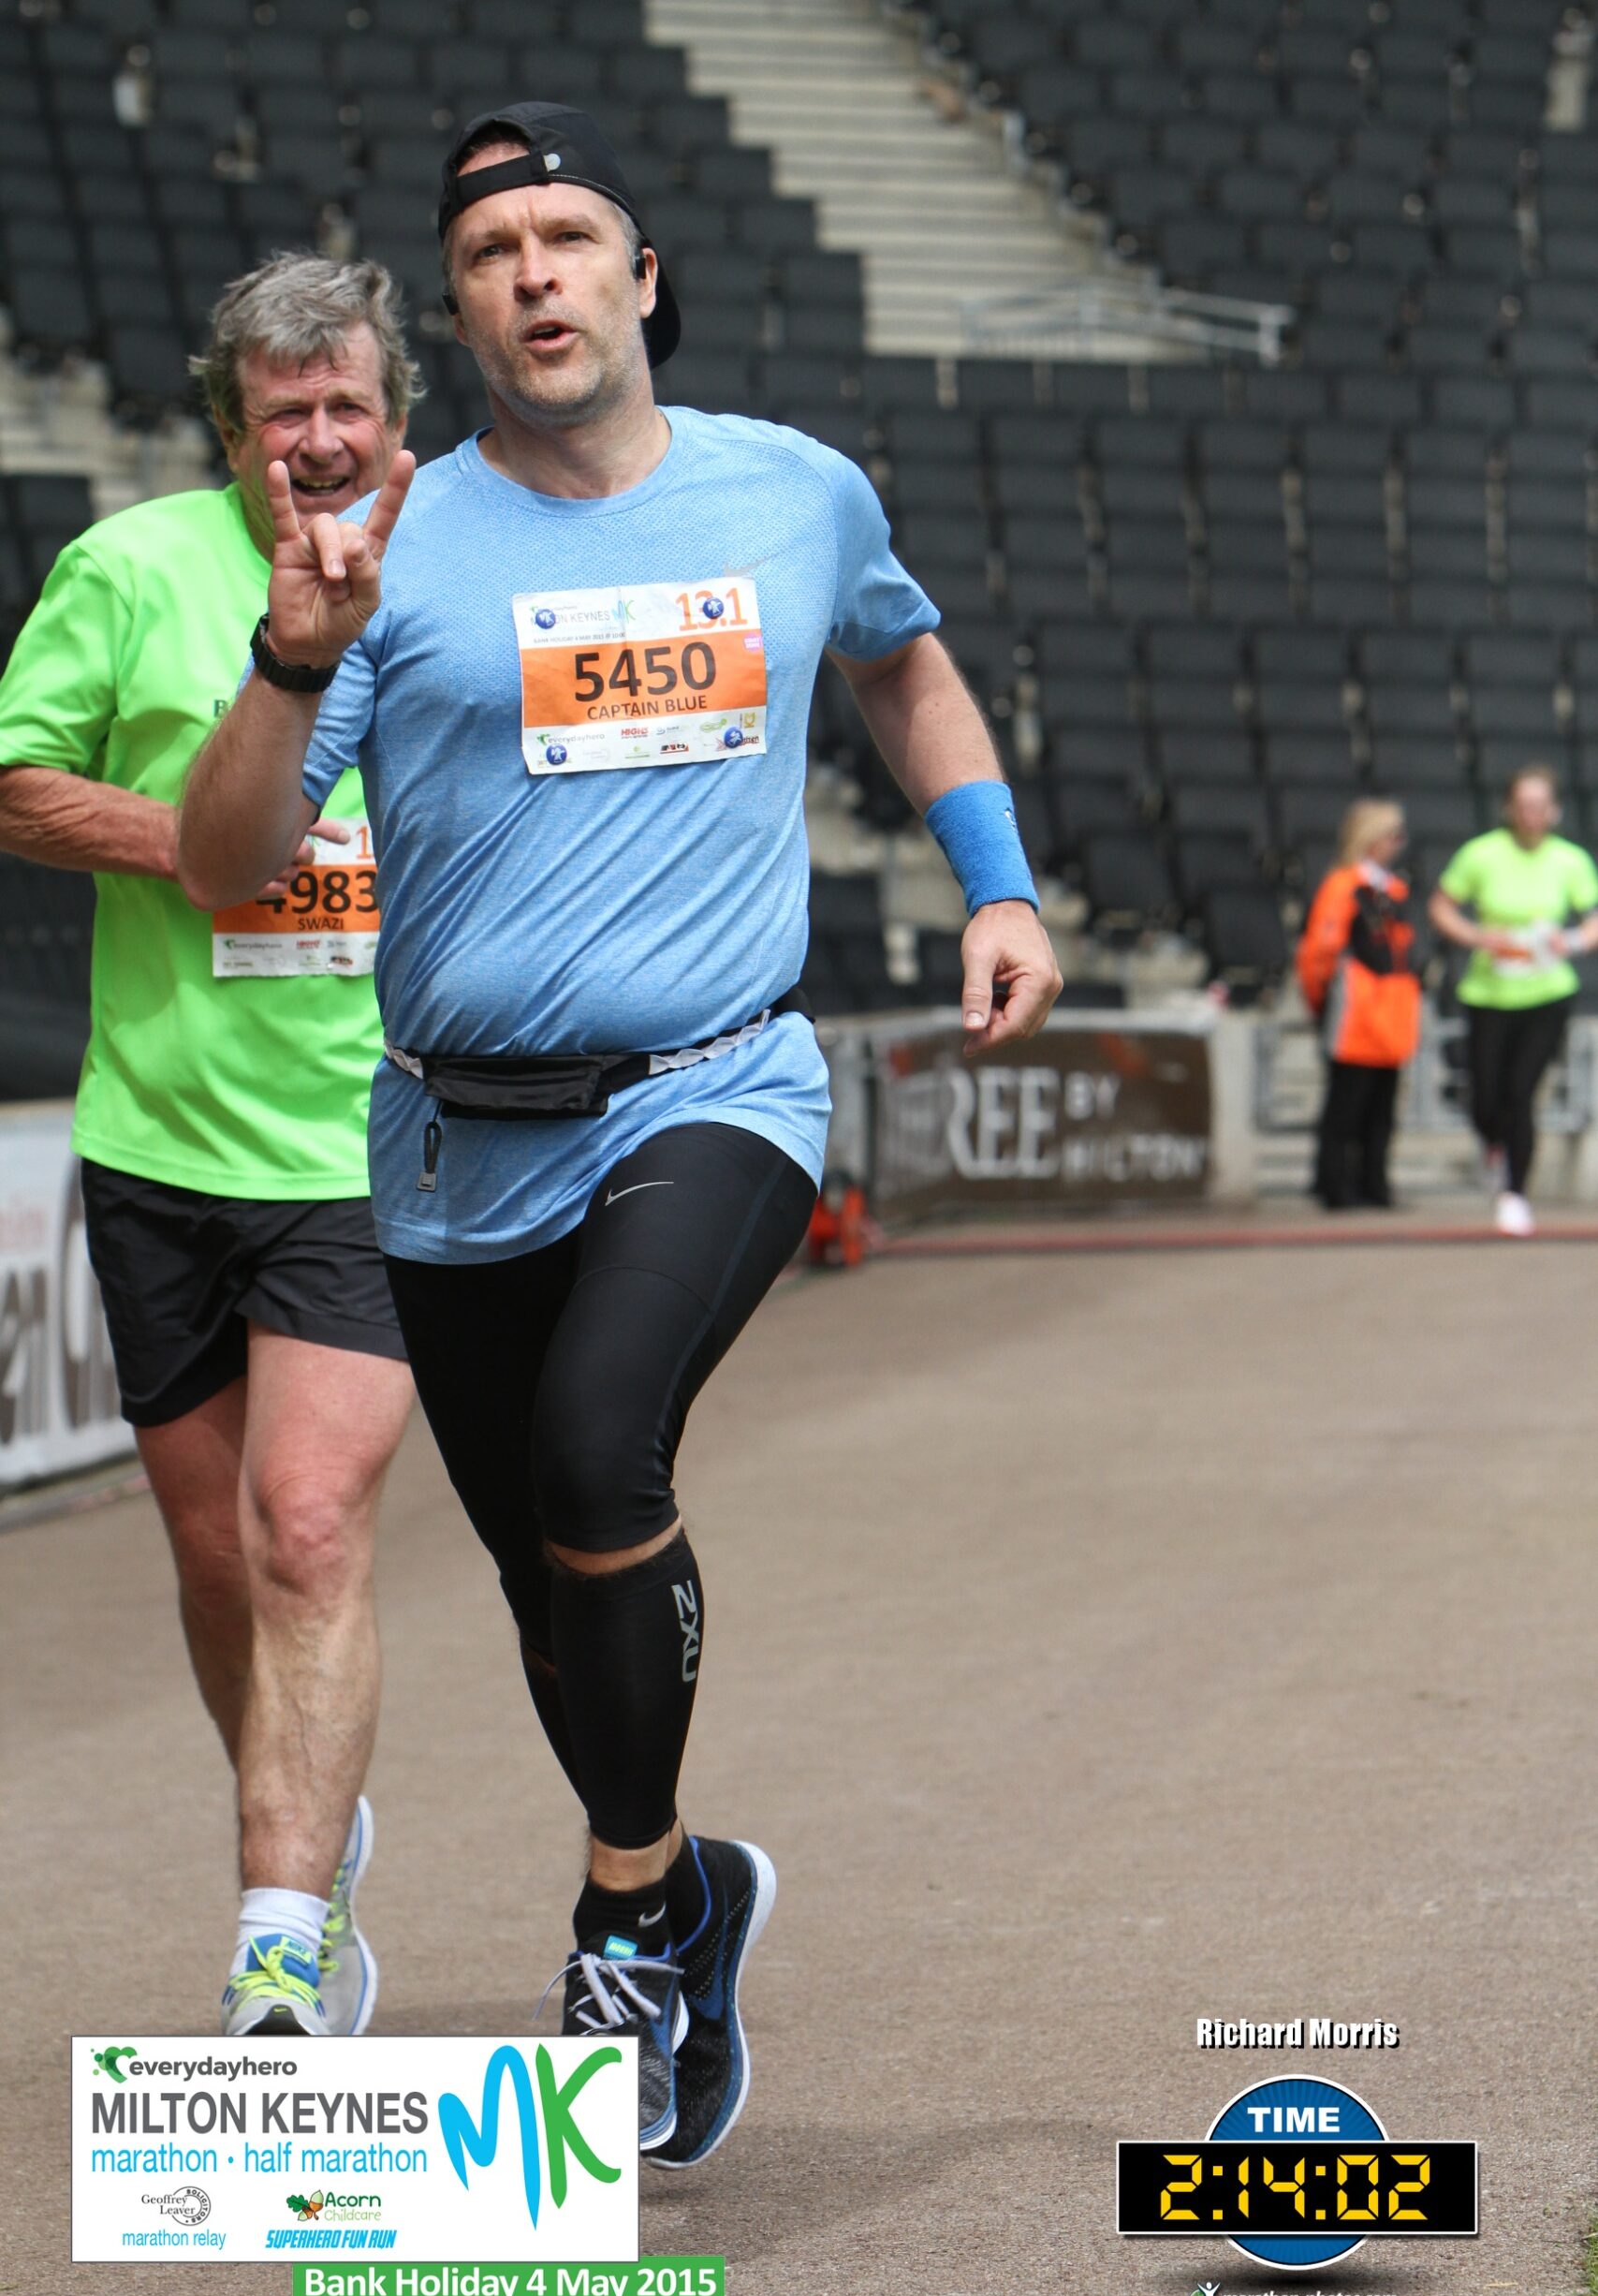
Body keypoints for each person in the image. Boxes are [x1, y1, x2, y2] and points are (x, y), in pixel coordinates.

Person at [180, 100, 1063, 2157]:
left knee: (600, 1452)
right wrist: (294, 657)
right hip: (456, 1142)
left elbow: (904, 667)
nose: (536, 276)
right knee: (550, 1590)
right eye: (493, 257)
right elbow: (229, 865)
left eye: (569, 238)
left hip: (715, 1085)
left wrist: (999, 883)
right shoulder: (389, 546)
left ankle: (616, 1924)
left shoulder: (796, 492)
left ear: (641, 278)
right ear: (462, 315)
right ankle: (678, 1890)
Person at [0, 257, 419, 2034]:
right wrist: (198, 843)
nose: (317, 440)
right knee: (217, 1561)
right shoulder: (129, 569)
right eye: (282, 413)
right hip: (163, 1139)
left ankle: (279, 1931)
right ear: (231, 435)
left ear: (396, 421)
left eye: (347, 406)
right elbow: (17, 782)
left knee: (307, 1525)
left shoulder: (464, 564)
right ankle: (312, 1822)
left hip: (371, 1138)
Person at [1429, 764, 1598, 1236]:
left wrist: (1572, 941)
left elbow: (1593, 919)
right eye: (1523, 805)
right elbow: (1441, 907)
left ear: (1554, 810)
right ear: (1509, 808)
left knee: (1521, 1093)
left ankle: (1515, 1194)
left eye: (1540, 805)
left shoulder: (1570, 861)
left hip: (1546, 994)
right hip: (1489, 992)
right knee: (1486, 1096)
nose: (1531, 814)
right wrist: (1478, 937)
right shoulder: (1480, 854)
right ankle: (1494, 1145)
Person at [1296, 798, 1421, 1211]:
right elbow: (1319, 955)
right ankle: (1333, 1183)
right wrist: (1320, 1004)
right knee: (1345, 1105)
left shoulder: (1393, 890)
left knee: (1382, 1108)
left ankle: (1374, 1182)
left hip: (1392, 1015)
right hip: (1355, 1015)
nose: (1397, 843)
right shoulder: (1343, 887)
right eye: (1391, 835)